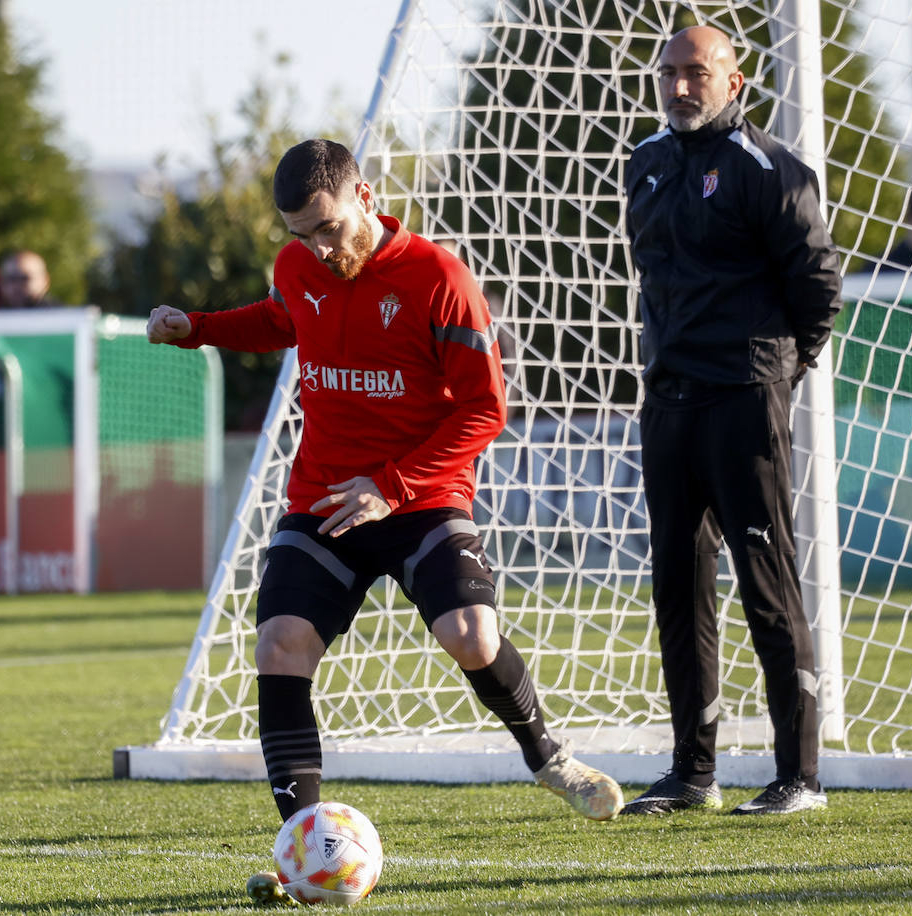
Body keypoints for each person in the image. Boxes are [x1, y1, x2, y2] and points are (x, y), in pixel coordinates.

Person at [148, 138, 623, 904]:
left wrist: (394, 485)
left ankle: (549, 759)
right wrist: (196, 327)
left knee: (472, 635)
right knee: (279, 645)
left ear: (364, 195)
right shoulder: (298, 264)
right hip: (326, 496)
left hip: (422, 494)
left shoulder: (440, 279)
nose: (316, 248)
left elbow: (485, 409)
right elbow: (281, 318)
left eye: (328, 228)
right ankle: (305, 842)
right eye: (300, 234)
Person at [621, 26, 842, 816]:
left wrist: (774, 370)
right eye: (670, 73)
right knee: (678, 588)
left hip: (745, 401)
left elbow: (818, 288)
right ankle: (693, 773)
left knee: (767, 582)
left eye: (698, 73)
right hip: (669, 403)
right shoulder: (643, 166)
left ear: (734, 81)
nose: (682, 87)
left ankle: (800, 778)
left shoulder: (771, 171)